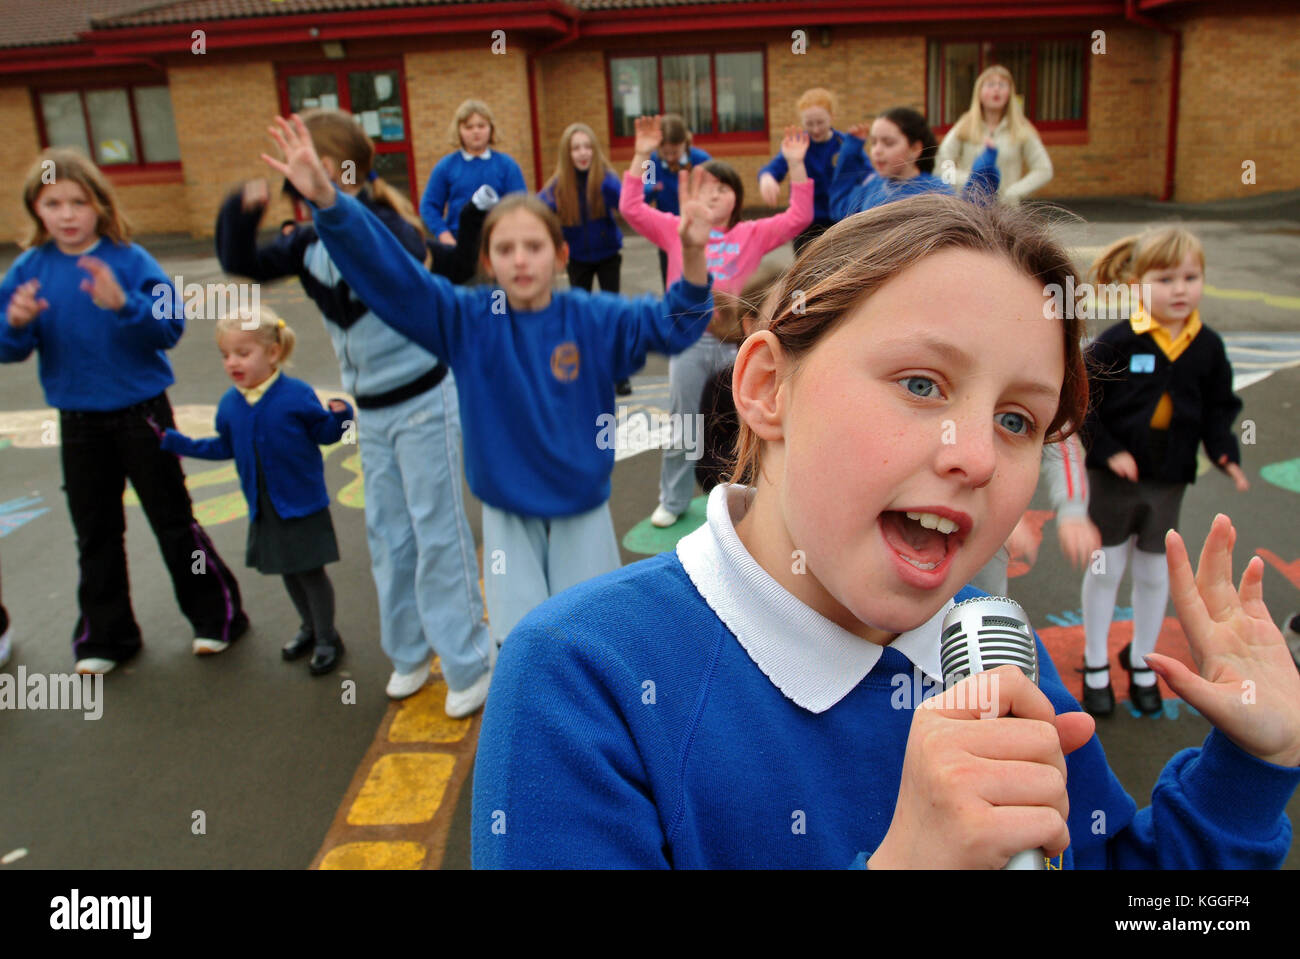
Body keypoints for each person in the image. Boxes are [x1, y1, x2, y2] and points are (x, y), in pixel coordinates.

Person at [470, 194, 1300, 868]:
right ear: (767, 387)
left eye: (1018, 419)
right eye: (920, 382)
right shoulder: (581, 680)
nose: (974, 455)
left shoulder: (991, 648)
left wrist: (1249, 772)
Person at [262, 112, 714, 652]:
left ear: (561, 254)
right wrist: (332, 205)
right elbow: (393, 278)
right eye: (505, 249)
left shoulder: (595, 317)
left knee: (592, 642)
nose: (520, 260)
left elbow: (674, 327)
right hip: (507, 511)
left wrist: (691, 256)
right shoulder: (466, 319)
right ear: (487, 260)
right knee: (522, 646)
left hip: (582, 507)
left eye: (534, 246)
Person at [217, 109, 495, 711]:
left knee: (437, 531)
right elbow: (244, 261)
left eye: (312, 170)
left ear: (341, 172)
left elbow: (382, 259)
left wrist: (331, 202)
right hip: (371, 414)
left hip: (423, 401)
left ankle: (470, 659)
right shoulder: (306, 241)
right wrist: (240, 210)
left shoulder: (391, 228)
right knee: (389, 537)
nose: (300, 183)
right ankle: (409, 652)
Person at [0, 149, 247, 675]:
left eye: (78, 202)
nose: (67, 215)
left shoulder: (131, 260)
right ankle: (107, 636)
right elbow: (9, 346)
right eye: (52, 203)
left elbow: (170, 328)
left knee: (173, 521)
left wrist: (125, 306)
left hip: (142, 415)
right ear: (36, 209)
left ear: (100, 206)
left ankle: (217, 617)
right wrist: (16, 324)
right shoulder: (28, 269)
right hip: (79, 423)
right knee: (95, 531)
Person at [1078, 227, 1249, 717]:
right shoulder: (1118, 341)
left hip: (1169, 479)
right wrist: (1108, 450)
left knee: (1156, 571)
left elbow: (1220, 408)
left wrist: (1225, 453)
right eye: (1165, 278)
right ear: (1135, 284)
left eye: (1191, 277)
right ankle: (1094, 663)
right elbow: (1084, 404)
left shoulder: (1208, 347)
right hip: (1115, 481)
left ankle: (1141, 659)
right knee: (1106, 566)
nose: (1180, 289)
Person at [620, 115, 813, 529]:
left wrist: (794, 164)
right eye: (705, 187)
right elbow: (630, 208)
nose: (713, 195)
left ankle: (745, 496)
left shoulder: (751, 233)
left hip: (737, 343)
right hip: (688, 341)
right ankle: (672, 499)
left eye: (723, 189)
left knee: (744, 422)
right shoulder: (677, 228)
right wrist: (640, 154)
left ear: (736, 199)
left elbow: (800, 215)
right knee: (685, 421)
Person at [159, 309, 351, 676]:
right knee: (288, 573)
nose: (232, 362)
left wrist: (340, 419)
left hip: (302, 504)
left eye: (243, 353)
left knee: (310, 573)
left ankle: (328, 637)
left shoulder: (295, 395)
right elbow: (224, 447)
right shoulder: (230, 405)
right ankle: (308, 628)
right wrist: (180, 443)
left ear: (273, 353)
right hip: (264, 507)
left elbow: (323, 433)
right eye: (226, 355)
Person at [539, 122, 632, 396]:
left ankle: (619, 373)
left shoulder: (605, 179)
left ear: (595, 149)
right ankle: (581, 372)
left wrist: (647, 176)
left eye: (587, 146)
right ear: (567, 154)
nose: (582, 153)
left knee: (611, 313)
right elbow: (537, 209)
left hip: (607, 257)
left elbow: (630, 201)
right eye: (576, 148)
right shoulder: (558, 185)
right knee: (578, 315)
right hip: (577, 258)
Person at [969, 434, 1099, 599]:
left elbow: (1059, 437)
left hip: (990, 535)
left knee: (985, 598)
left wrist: (1072, 511)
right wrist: (999, 504)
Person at [694, 264, 783, 494]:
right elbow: (705, 467)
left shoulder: (809, 378)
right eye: (778, 315)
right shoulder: (722, 385)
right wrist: (753, 469)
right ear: (749, 324)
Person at [829, 107, 999, 221]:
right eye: (873, 142)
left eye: (888, 143)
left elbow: (969, 220)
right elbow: (839, 208)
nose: (877, 151)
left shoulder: (935, 193)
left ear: (915, 149)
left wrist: (985, 168)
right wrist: (850, 151)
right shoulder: (872, 187)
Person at [936, 65, 1053, 206]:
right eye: (990, 84)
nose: (996, 89)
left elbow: (1044, 169)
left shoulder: (1022, 129)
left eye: (1002, 85)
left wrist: (1014, 192)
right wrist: (969, 181)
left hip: (1008, 215)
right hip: (971, 211)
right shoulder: (964, 126)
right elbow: (941, 164)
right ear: (979, 91)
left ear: (1010, 93)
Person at [419, 99, 526, 247]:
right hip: (458, 243)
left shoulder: (506, 165)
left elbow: (521, 205)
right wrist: (444, 235)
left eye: (481, 126)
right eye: (468, 127)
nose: (476, 131)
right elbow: (428, 206)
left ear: (491, 129)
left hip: (500, 242)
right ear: (459, 131)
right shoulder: (446, 166)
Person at [758, 88, 845, 253]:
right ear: (802, 121)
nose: (816, 129)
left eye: (820, 122)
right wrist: (767, 178)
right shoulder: (797, 145)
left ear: (832, 117)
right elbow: (774, 168)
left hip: (839, 223)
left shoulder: (845, 145)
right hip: (806, 226)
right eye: (809, 124)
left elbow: (864, 175)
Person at [642, 114, 710, 291]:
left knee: (700, 272)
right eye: (666, 153)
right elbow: (642, 195)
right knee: (670, 275)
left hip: (697, 227)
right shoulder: (652, 162)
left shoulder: (701, 159)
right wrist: (651, 189)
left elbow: (714, 189)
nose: (670, 157)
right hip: (668, 229)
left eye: (675, 152)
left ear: (685, 144)